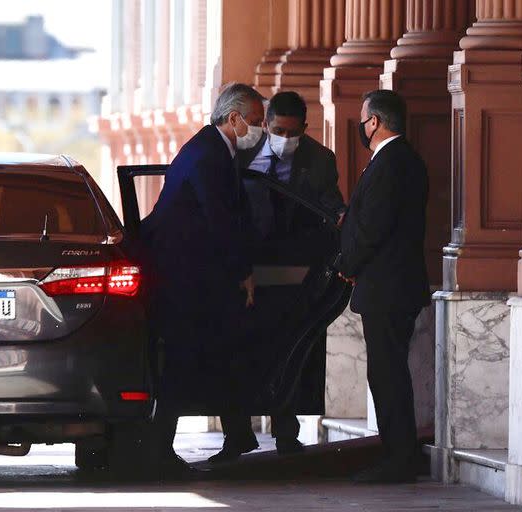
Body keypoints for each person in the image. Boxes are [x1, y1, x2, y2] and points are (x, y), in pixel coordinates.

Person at [208, 91, 345, 464]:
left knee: (285, 350)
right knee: (237, 352)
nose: (284, 137)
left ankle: (286, 435)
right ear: (265, 125)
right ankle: (236, 436)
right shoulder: (241, 151)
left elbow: (328, 206)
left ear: (304, 128)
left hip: (292, 272)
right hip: (245, 271)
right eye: (277, 129)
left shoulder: (319, 160)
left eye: (292, 131)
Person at [141, 82, 265, 478]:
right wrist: (242, 272)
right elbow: (220, 222)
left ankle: (237, 433)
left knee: (222, 352)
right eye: (257, 122)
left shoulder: (215, 149)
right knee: (184, 359)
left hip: (197, 277)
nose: (259, 131)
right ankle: (161, 449)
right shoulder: (209, 154)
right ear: (234, 118)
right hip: (185, 279)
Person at [338, 90, 430, 483]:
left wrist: (346, 263)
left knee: (388, 374)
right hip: (393, 286)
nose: (362, 126)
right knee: (387, 372)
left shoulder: (392, 163)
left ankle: (399, 458)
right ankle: (397, 454)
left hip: (388, 288)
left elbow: (373, 227)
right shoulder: (399, 160)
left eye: (364, 119)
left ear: (374, 121)